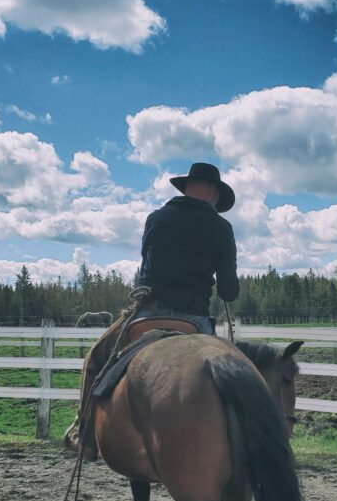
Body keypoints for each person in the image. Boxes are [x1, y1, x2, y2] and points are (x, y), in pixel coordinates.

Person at [65, 162, 239, 457]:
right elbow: (228, 290)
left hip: (147, 314)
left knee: (95, 359)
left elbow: (147, 265)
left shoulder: (157, 218)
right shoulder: (222, 227)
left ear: (188, 187)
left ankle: (85, 436)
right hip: (194, 319)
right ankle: (238, 439)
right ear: (211, 191)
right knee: (233, 374)